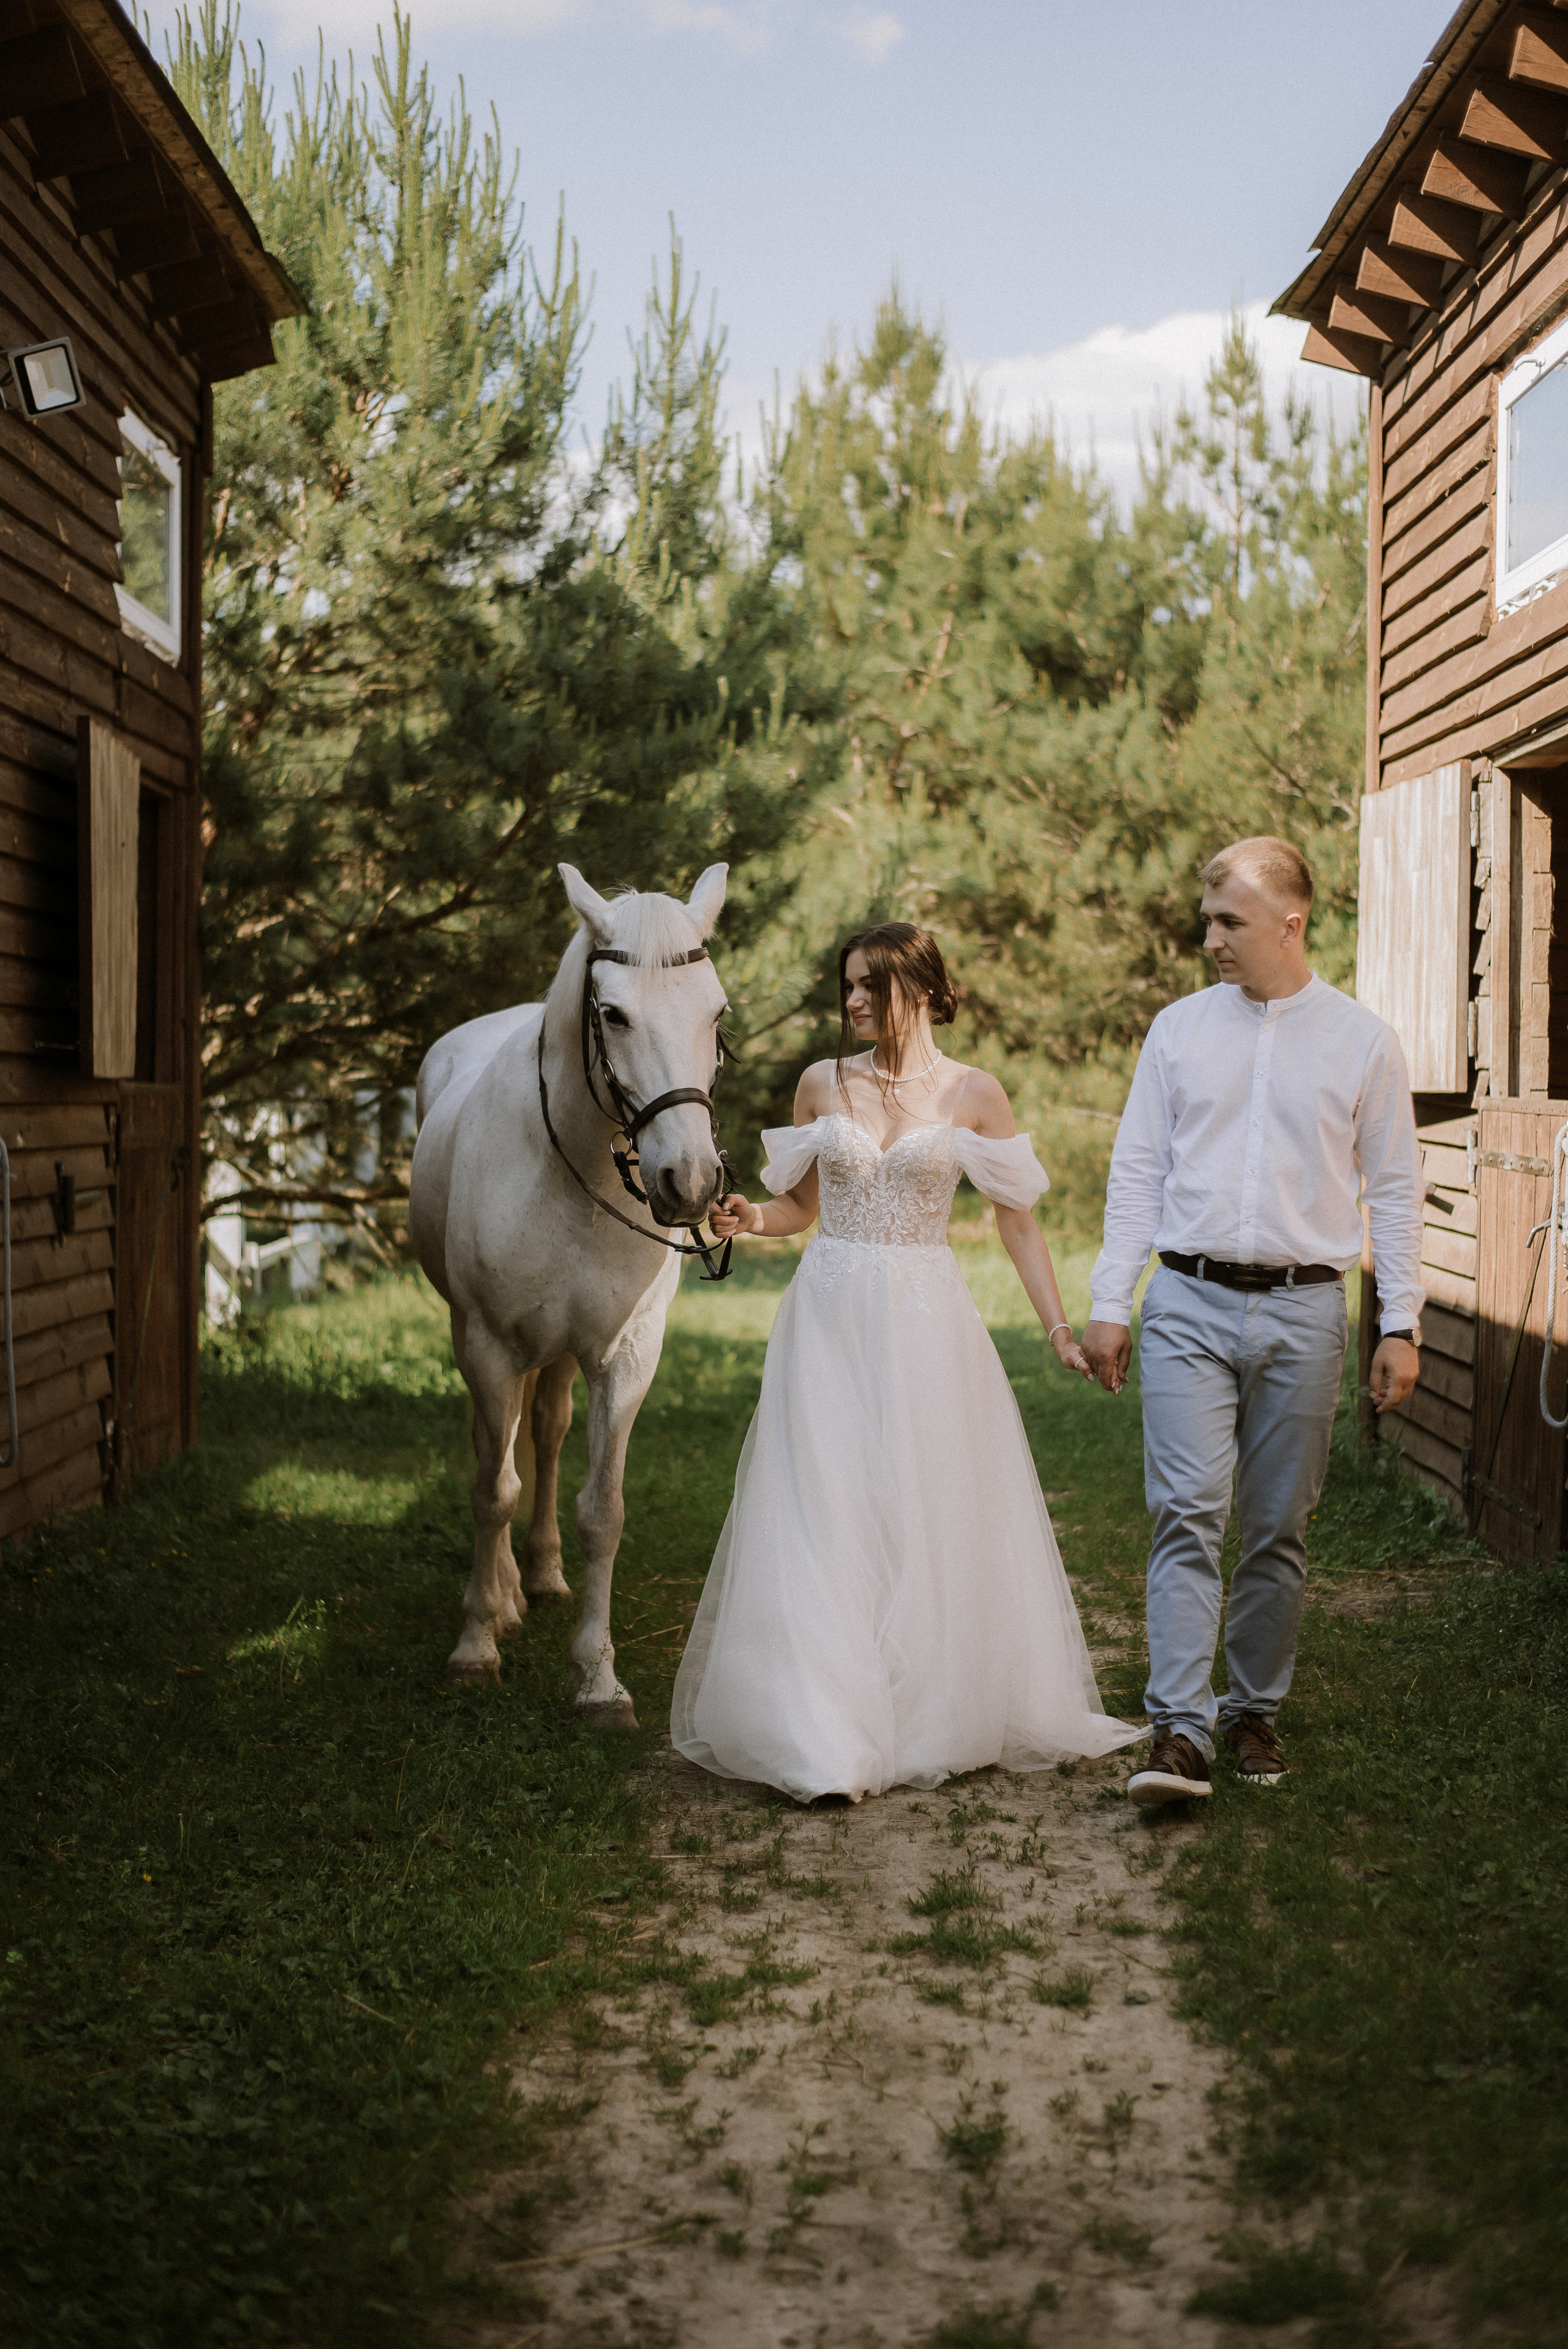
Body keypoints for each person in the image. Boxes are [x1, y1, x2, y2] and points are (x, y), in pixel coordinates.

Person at [671, 921, 1143, 1804]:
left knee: (920, 1506)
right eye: (845, 984)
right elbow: (799, 1207)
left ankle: (922, 1703)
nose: (849, 1001)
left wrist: (1057, 1329)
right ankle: (823, 1733)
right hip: (829, 1314)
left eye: (868, 986)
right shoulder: (824, 1083)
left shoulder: (974, 1094)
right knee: (826, 1507)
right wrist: (748, 1217)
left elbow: (1017, 1220)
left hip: (928, 1322)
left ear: (920, 990)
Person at [1081, 837, 1424, 1807]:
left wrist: (1398, 1319)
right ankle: (1180, 1731)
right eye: (1208, 920)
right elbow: (1137, 1171)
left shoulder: (1363, 1040)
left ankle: (1252, 1709)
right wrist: (1113, 1302)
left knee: (1276, 1525)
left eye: (1228, 920)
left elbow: (1396, 1190)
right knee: (1186, 1512)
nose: (1211, 939)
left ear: (1290, 920)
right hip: (1185, 1300)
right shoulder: (1177, 1030)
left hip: (1308, 1309)